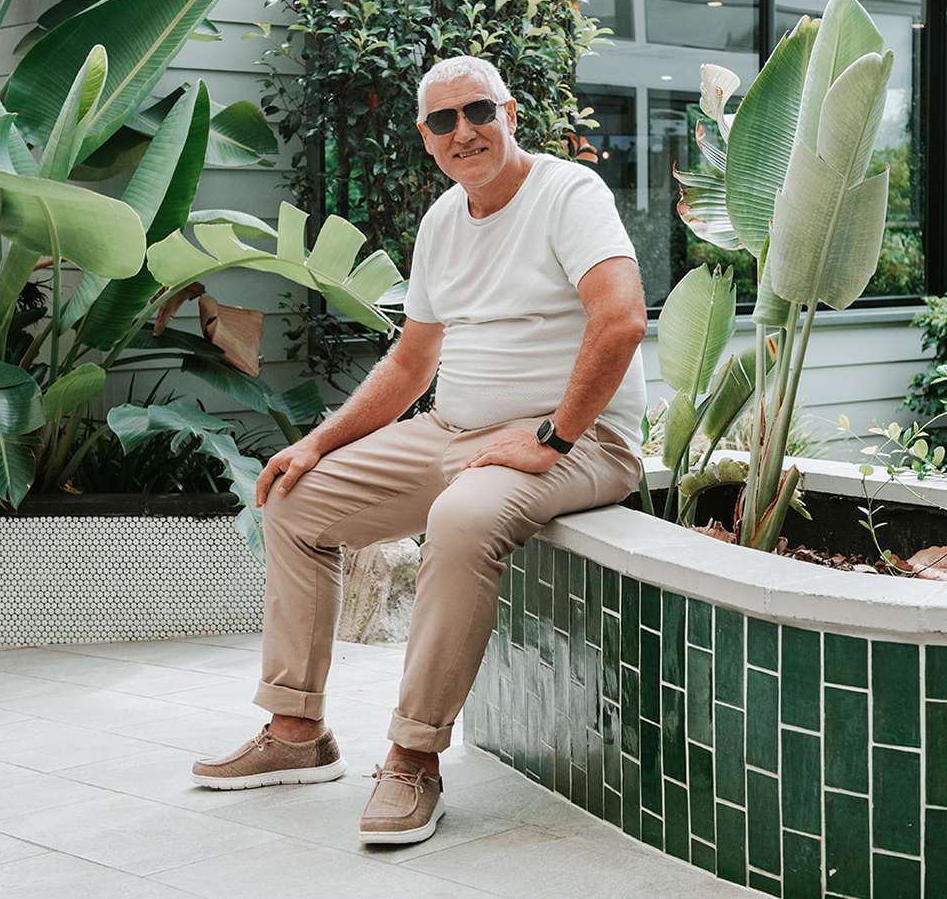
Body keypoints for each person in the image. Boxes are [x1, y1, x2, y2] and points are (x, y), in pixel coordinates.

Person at [190, 54, 648, 846]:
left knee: (462, 519)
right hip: (453, 431)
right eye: (443, 120)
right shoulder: (443, 220)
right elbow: (410, 362)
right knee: (293, 499)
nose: (463, 131)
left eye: (478, 112)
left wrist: (553, 437)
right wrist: (316, 442)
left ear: (510, 114)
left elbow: (622, 319)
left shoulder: (568, 194)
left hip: (581, 437)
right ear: (426, 137)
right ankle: (297, 734)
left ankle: (413, 757)